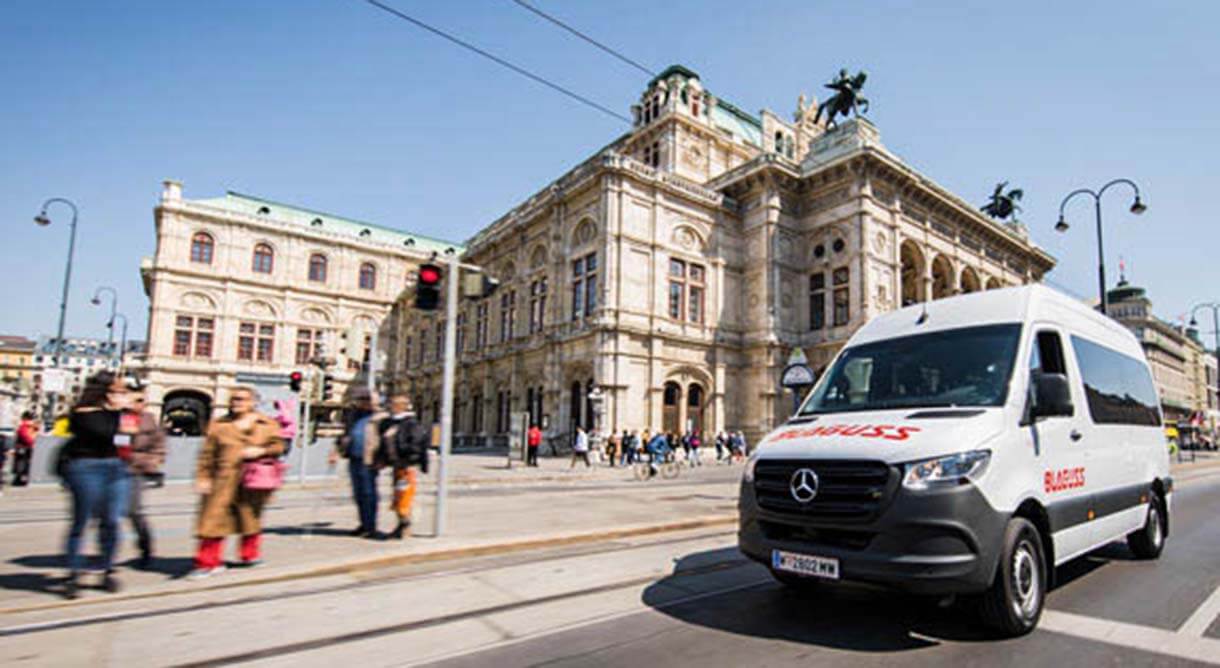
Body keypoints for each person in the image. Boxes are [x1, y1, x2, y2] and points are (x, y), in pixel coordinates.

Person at [189, 386, 284, 580]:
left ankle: (249, 555)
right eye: (233, 399)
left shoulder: (267, 424)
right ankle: (207, 562)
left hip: (253, 479)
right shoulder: (219, 425)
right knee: (212, 520)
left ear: (253, 402)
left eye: (241, 399)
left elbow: (278, 446)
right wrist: (203, 477)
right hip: (222, 478)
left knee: (250, 517)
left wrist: (261, 451)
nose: (236, 402)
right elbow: (206, 455)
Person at [60, 372, 134, 598]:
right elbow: (102, 432)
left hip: (115, 467)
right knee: (81, 521)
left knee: (112, 520)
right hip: (85, 467)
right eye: (118, 391)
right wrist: (118, 413)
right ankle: (74, 571)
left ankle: (106, 568)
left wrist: (123, 416)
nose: (123, 395)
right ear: (104, 391)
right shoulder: (83, 412)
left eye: (123, 391)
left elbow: (126, 439)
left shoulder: (119, 414)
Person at [376, 394, 427, 540]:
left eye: (392, 404)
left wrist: (406, 460)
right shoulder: (393, 423)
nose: (390, 407)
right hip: (398, 466)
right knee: (399, 497)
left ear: (400, 406)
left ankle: (405, 526)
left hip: (406, 468)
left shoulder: (410, 424)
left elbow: (415, 445)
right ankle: (402, 527)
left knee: (403, 497)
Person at [126, 386, 166, 568]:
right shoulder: (114, 418)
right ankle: (104, 557)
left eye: (142, 400)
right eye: (135, 400)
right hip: (111, 468)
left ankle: (146, 549)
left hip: (135, 468)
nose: (140, 404)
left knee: (134, 511)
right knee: (105, 514)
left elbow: (159, 442)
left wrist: (154, 459)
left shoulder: (148, 419)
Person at [333, 388, 381, 539]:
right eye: (359, 400)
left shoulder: (378, 416)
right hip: (354, 457)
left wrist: (382, 459)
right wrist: (338, 448)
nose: (359, 403)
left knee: (368, 493)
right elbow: (346, 433)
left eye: (363, 400)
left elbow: (385, 438)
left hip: (369, 459)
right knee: (358, 493)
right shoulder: (353, 415)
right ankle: (364, 524)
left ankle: (371, 526)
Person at [12, 411, 38, 486]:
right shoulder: (24, 426)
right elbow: (27, 438)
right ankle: (18, 479)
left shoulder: (29, 426)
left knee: (23, 464)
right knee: (22, 464)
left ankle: (20, 479)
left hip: (25, 448)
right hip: (23, 448)